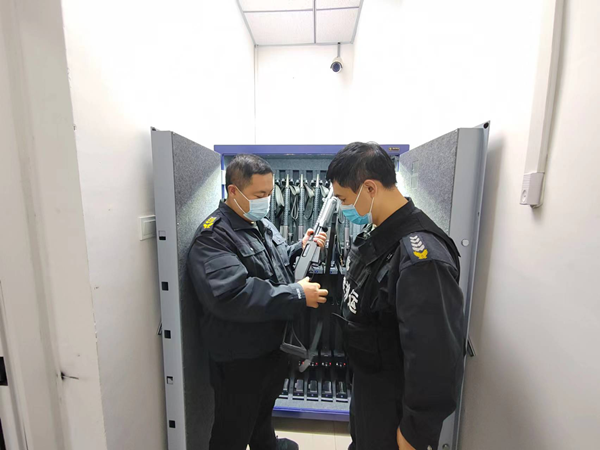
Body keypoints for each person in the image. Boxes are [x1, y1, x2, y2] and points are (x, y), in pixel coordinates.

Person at [327, 143, 466, 450]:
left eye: (344, 199)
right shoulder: (380, 235)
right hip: (370, 385)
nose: (343, 208)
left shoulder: (421, 258)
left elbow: (436, 356)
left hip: (393, 404)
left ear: (369, 188)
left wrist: (416, 430)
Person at [188, 154, 328, 450]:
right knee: (232, 431)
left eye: (269, 192)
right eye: (259, 194)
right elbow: (232, 295)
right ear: (233, 191)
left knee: (262, 414)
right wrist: (297, 294)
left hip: (268, 348)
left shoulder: (258, 223)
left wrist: (298, 249)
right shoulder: (213, 237)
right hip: (240, 358)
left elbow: (272, 264)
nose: (266, 200)